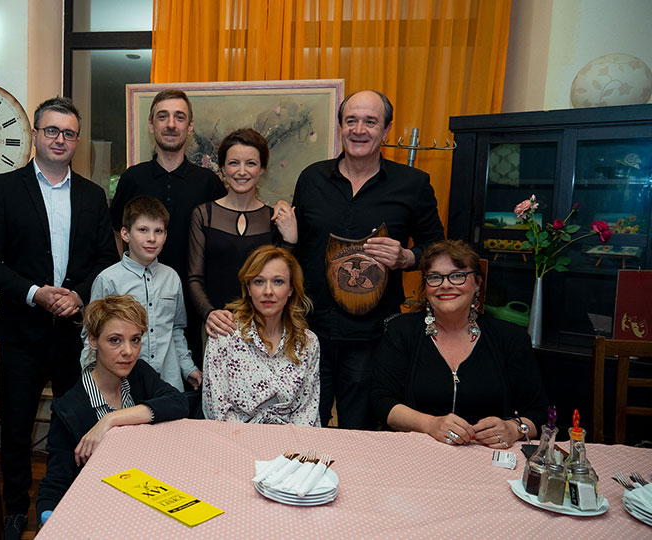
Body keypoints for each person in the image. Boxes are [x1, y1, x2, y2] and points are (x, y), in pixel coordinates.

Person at [0, 96, 117, 539]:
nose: (60, 139)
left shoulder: (93, 196)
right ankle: (15, 509)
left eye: (69, 133)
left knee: (76, 423)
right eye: (52, 130)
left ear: (77, 141)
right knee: (17, 427)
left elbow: (105, 259)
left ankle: (69, 504)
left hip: (76, 334)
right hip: (21, 332)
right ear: (36, 134)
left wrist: (77, 295)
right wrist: (35, 293)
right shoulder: (4, 188)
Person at [290, 90, 445, 429]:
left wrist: (406, 257)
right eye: (351, 121)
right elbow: (295, 246)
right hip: (309, 328)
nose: (359, 130)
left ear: (386, 130)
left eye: (370, 122)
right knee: (303, 425)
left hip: (371, 335)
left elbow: (438, 249)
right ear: (340, 127)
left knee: (359, 429)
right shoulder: (311, 178)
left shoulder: (413, 184)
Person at [369, 240, 548, 447]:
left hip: (488, 456)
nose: (445, 285)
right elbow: (381, 402)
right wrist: (430, 424)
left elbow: (540, 413)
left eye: (457, 276)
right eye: (434, 277)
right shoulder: (401, 331)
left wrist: (514, 429)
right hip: (415, 451)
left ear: (478, 282)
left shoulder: (510, 338)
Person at [36, 294, 189, 527]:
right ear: (93, 340)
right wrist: (48, 523)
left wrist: (111, 419)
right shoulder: (69, 409)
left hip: (146, 492)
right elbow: (54, 485)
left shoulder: (138, 374)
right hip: (100, 508)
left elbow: (178, 402)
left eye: (135, 340)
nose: (128, 351)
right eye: (115, 340)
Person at [109, 89, 226, 359]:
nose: (171, 124)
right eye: (162, 117)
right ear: (152, 125)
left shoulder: (208, 183)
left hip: (193, 303)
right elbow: (116, 231)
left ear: (190, 126)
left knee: (189, 374)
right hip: (136, 301)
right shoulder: (133, 178)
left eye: (179, 117)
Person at [80, 195, 201, 392]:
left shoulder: (172, 278)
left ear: (165, 235)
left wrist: (188, 368)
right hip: (123, 385)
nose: (151, 238)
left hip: (168, 382)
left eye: (158, 231)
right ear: (125, 234)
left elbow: (176, 329)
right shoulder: (108, 280)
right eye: (143, 230)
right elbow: (91, 336)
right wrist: (92, 384)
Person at [188, 128, 297, 339]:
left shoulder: (274, 219)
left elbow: (283, 279)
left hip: (263, 329)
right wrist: (209, 313)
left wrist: (291, 240)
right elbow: (194, 277)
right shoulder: (203, 215)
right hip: (217, 328)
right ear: (222, 168)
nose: (242, 171)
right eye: (233, 163)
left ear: (262, 168)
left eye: (251, 163)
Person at [202, 245, 320, 427]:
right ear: (248, 288)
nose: (268, 291)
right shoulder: (225, 334)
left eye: (278, 281)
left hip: (290, 440)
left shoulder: (307, 342)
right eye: (259, 281)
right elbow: (217, 409)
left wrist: (287, 444)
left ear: (291, 289)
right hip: (234, 437)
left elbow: (307, 411)